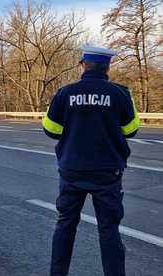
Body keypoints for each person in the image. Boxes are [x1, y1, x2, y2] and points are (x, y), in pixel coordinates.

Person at [42, 45, 140, 276]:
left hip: (72, 171)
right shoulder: (120, 93)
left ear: (82, 65)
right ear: (108, 67)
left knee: (65, 224)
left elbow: (50, 129)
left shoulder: (65, 93)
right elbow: (132, 130)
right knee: (109, 230)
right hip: (107, 173)